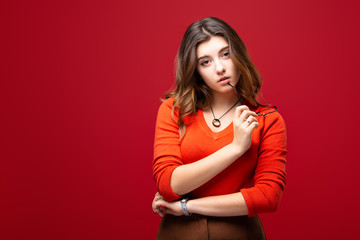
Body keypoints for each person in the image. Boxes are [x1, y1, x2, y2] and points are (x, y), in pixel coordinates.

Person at [151, 17, 287, 240]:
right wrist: (235, 148)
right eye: (205, 62)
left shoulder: (267, 120)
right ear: (196, 70)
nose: (220, 68)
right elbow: (168, 183)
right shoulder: (174, 110)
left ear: (239, 55)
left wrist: (187, 206)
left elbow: (267, 197)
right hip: (178, 234)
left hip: (240, 234)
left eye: (225, 54)